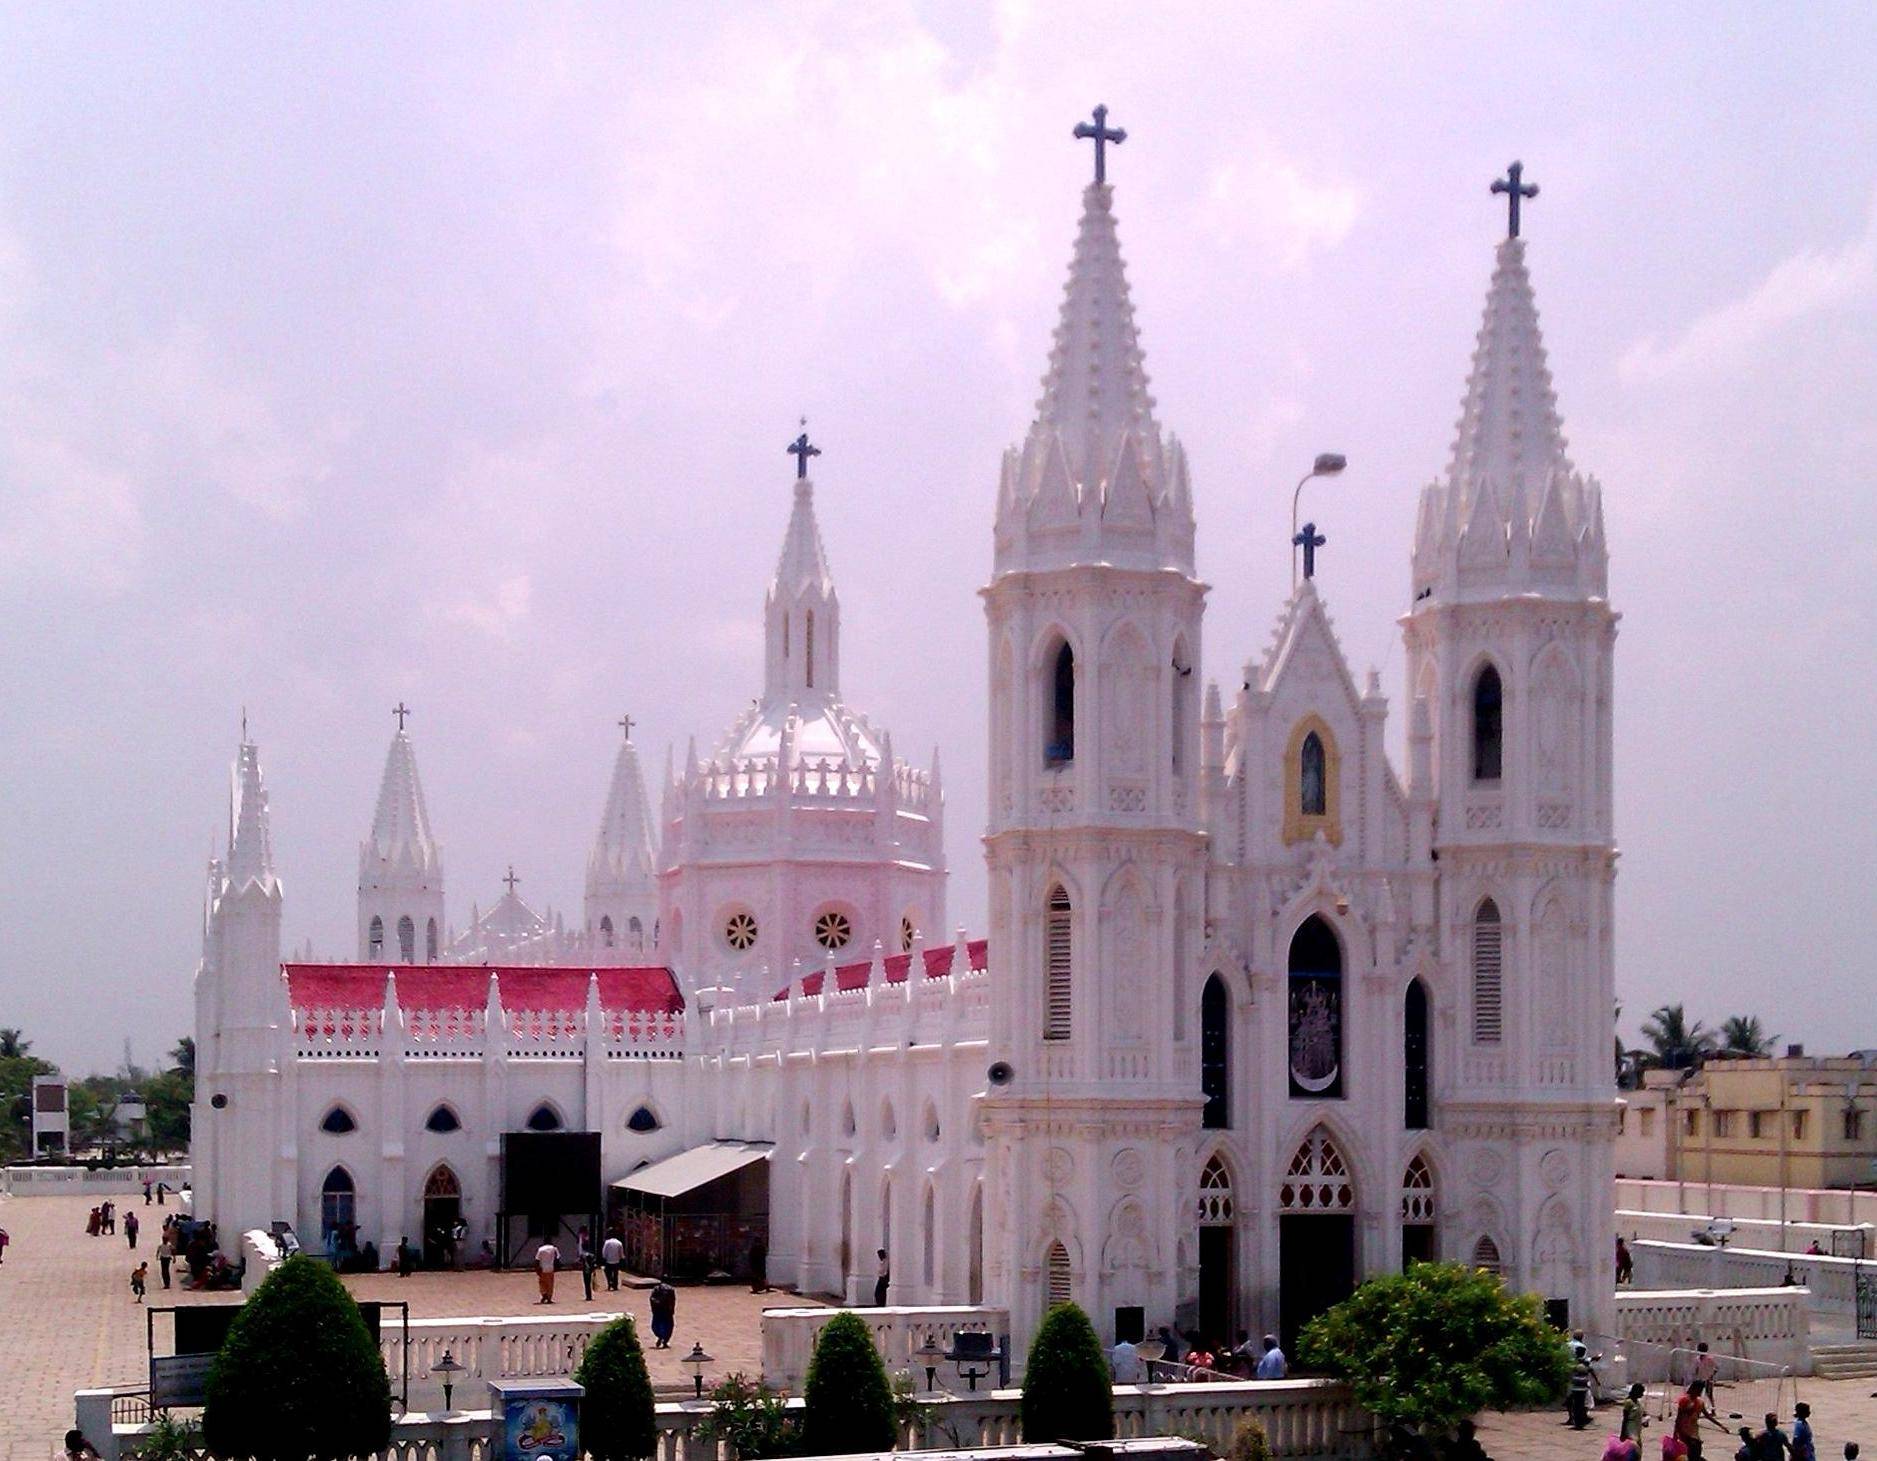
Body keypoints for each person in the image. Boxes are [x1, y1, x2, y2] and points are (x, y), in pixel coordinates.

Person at [1676, 1381, 1717, 1461]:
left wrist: (1720, 1425)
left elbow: (1707, 1416)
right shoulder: (1685, 1400)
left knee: (1695, 1452)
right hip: (1685, 1433)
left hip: (1694, 1432)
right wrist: (1676, 1432)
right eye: (1699, 1390)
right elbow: (1679, 1418)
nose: (1701, 1392)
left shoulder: (1700, 1402)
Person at [649, 1276, 676, 1348]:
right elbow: (672, 1301)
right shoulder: (671, 1289)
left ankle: (660, 1336)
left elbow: (651, 1299)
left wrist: (655, 1307)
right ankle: (665, 1341)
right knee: (668, 1326)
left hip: (658, 1310)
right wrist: (672, 1310)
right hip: (667, 1310)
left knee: (656, 1324)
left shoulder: (656, 1288)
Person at [535, 1237, 560, 1304]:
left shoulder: (540, 1249)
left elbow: (537, 1260)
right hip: (551, 1268)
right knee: (550, 1284)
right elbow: (557, 1259)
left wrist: (537, 1268)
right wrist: (557, 1267)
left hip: (542, 1268)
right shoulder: (554, 1249)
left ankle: (544, 1294)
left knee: (542, 1283)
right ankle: (549, 1297)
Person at [577, 1227, 595, 1301]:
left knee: (586, 1281)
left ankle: (588, 1295)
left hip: (586, 1266)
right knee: (588, 1281)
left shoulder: (583, 1238)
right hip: (589, 1265)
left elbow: (580, 1251)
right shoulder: (591, 1254)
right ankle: (589, 1295)